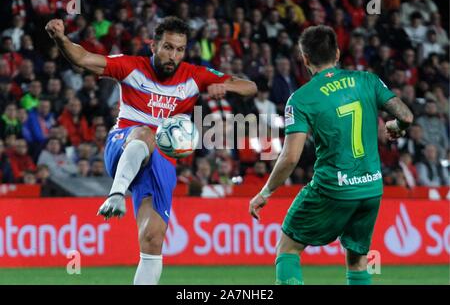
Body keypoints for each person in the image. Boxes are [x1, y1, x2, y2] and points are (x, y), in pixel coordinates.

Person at [45, 16, 256, 285]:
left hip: (162, 160)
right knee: (145, 133)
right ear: (153, 45)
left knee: (153, 240)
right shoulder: (131, 67)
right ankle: (116, 194)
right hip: (123, 144)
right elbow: (83, 59)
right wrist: (61, 39)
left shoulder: (194, 75)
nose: (174, 55)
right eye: (168, 47)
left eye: (180, 49)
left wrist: (223, 85)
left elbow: (250, 87)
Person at [249, 25, 413, 285]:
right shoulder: (367, 80)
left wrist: (265, 192)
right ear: (337, 54)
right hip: (371, 187)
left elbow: (291, 157)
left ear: (304, 59)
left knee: (288, 248)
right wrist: (396, 127)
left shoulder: (301, 99)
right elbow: (405, 115)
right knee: (358, 261)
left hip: (333, 188)